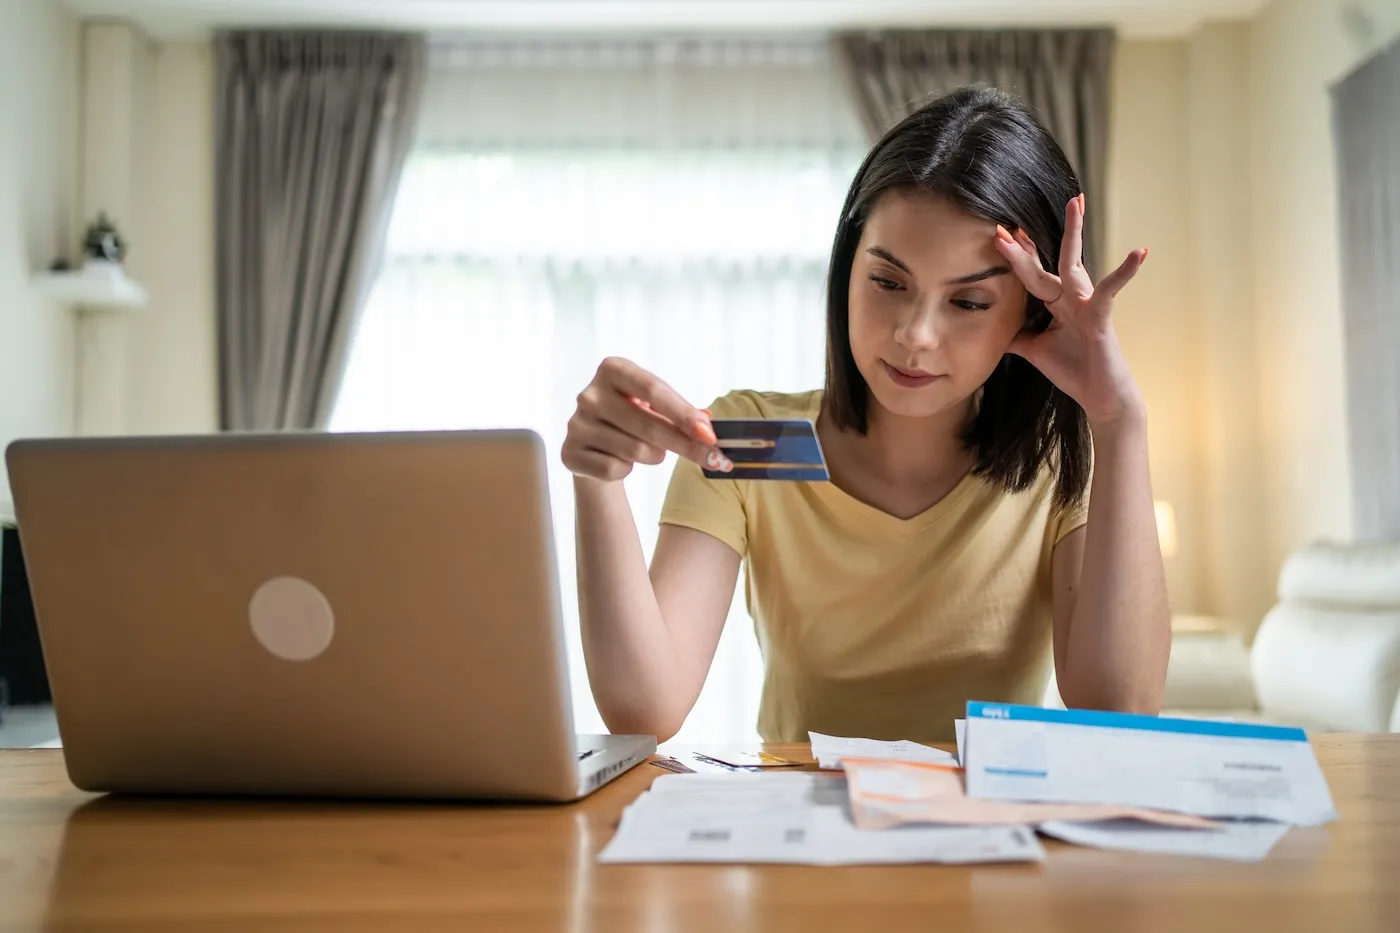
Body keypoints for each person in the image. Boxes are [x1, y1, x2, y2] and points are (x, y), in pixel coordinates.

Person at [561, 86, 1170, 744]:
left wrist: (1120, 422)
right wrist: (599, 480)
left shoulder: (1053, 463)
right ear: (847, 269)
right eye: (888, 281)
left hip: (988, 838)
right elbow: (643, 709)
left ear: (1030, 311)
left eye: (967, 302)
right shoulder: (755, 441)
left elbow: (1118, 710)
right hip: (799, 830)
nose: (915, 334)